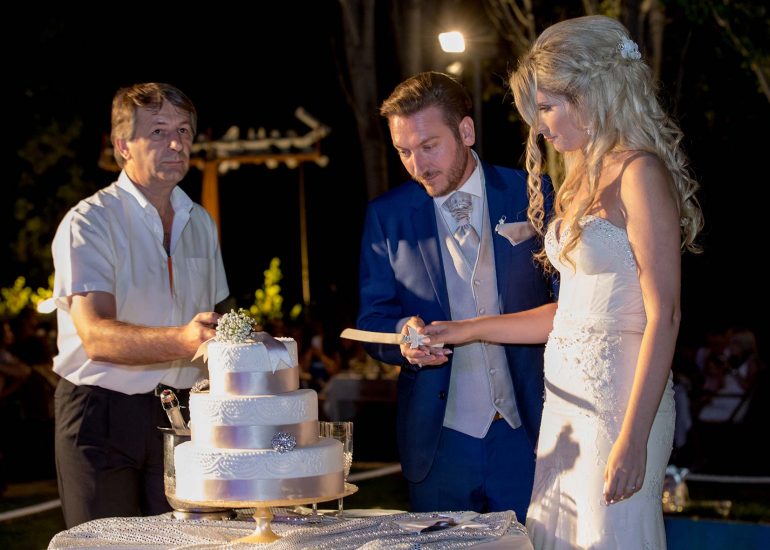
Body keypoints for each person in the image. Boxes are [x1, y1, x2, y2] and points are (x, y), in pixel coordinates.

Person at [422, 15, 703, 549]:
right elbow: (567, 314)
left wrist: (634, 438)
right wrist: (464, 330)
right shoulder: (578, 180)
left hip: (623, 405)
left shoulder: (640, 173)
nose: (540, 127)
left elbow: (664, 313)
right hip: (565, 405)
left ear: (591, 93)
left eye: (547, 107)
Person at [357, 71, 555, 519]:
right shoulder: (388, 216)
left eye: (429, 146)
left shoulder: (531, 193)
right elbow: (372, 320)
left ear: (465, 131)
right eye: (404, 151)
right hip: (440, 441)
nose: (417, 165)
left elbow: (568, 303)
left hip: (528, 430)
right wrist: (402, 334)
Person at [50, 83, 229, 528]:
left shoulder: (201, 222)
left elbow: (216, 315)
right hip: (101, 414)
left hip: (182, 413)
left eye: (184, 131)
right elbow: (96, 336)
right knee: (107, 543)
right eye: (158, 131)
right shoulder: (89, 222)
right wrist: (185, 339)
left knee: (189, 541)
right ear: (122, 146)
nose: (176, 144)